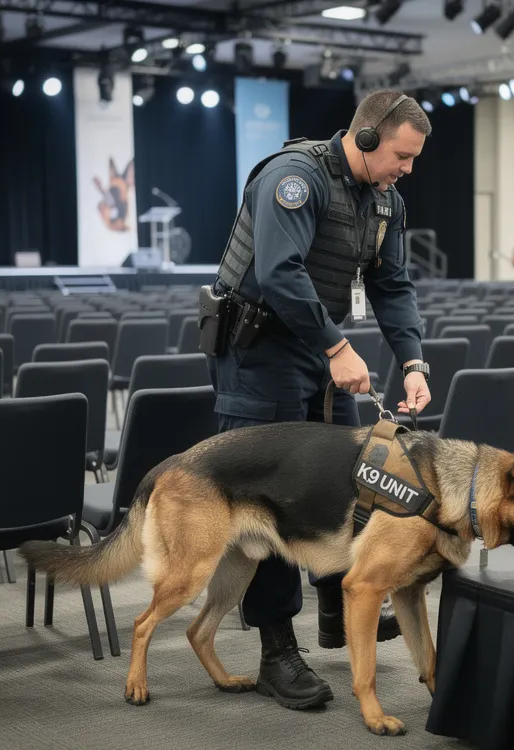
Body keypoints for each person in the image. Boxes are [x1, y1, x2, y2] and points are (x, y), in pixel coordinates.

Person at [205, 90, 434, 711]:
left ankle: (337, 606)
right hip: (258, 351)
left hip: (313, 343)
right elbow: (280, 272)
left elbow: (391, 283)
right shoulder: (294, 178)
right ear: (364, 139)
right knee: (271, 497)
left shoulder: (385, 199)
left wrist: (412, 359)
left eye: (414, 160)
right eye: (401, 156)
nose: (407, 170)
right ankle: (277, 647)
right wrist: (337, 350)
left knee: (354, 475)